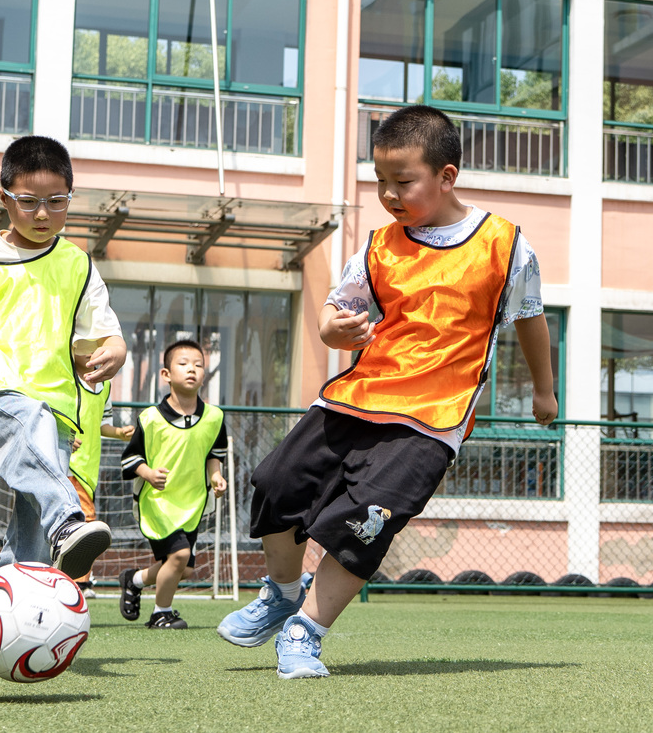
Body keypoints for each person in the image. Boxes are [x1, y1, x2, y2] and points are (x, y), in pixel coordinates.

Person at [217, 104, 558, 679]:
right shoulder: (377, 247)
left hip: (433, 417)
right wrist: (332, 328)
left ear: (447, 176)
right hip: (357, 396)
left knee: (365, 517)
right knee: (274, 484)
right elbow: (338, 309)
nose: (389, 195)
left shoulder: (505, 245)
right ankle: (280, 593)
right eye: (380, 182)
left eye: (403, 182)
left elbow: (529, 318)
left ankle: (305, 633)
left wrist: (544, 391)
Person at [0, 136, 127, 667]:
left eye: (57, 201)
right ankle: (70, 519)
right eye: (30, 200)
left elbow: (104, 331)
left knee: (30, 531)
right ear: (4, 197)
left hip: (52, 405)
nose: (43, 212)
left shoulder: (78, 264)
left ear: (70, 198)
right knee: (40, 468)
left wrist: (118, 351)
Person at [116, 340, 228, 629]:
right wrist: (149, 473)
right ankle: (160, 613)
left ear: (205, 374)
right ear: (166, 374)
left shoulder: (215, 418)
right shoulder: (150, 419)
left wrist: (216, 477)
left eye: (198, 364)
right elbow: (129, 460)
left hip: (192, 504)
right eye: (183, 363)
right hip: (158, 504)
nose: (191, 369)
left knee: (184, 570)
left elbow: (214, 456)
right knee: (178, 556)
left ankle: (134, 579)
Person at [67, 378, 134, 598]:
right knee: (84, 520)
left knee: (78, 522)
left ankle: (71, 580)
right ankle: (79, 582)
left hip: (88, 469)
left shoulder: (104, 385)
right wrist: (63, 433)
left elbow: (101, 424)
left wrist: (117, 433)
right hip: (64, 463)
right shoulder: (63, 373)